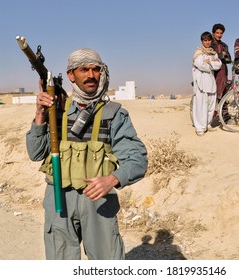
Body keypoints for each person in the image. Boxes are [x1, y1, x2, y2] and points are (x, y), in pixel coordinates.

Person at [26, 48, 148, 260]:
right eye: (84, 70)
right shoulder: (57, 109)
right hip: (59, 200)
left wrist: (112, 179)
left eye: (96, 69)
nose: (91, 75)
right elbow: (36, 154)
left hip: (99, 203)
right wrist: (40, 115)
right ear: (71, 75)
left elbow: (138, 159)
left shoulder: (113, 114)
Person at [192, 31, 222, 136]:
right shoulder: (198, 53)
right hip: (201, 83)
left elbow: (219, 64)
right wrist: (211, 64)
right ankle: (200, 128)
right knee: (200, 106)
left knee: (210, 105)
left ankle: (208, 124)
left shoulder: (213, 53)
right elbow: (200, 64)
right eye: (205, 40)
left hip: (211, 82)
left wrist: (209, 62)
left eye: (209, 40)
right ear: (202, 41)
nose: (207, 42)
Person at [211, 24, 232, 103]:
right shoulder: (209, 44)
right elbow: (210, 57)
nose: (219, 35)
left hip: (223, 70)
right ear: (213, 33)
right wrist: (221, 55)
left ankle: (224, 113)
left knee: (225, 91)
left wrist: (224, 56)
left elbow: (229, 59)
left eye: (221, 33)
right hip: (212, 71)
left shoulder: (224, 45)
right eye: (217, 33)